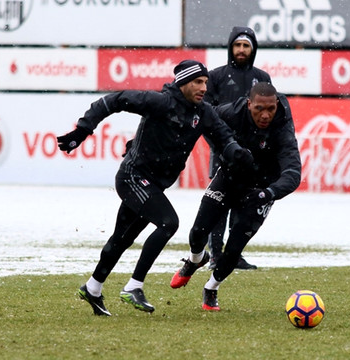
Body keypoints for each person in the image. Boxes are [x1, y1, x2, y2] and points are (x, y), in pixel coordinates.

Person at [56, 60, 255, 316]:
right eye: (198, 82)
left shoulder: (204, 113)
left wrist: (237, 153)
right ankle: (133, 286)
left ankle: (93, 288)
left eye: (205, 82)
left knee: (122, 238)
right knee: (168, 223)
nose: (204, 87)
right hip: (132, 177)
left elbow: (224, 137)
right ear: (182, 83)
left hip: (152, 185)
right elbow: (114, 100)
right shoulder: (160, 102)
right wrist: (83, 130)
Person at [170, 82, 302, 311]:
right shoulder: (231, 112)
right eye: (259, 108)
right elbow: (202, 120)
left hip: (260, 190)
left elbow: (293, 172)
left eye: (270, 109)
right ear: (249, 104)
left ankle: (211, 288)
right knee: (198, 231)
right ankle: (195, 259)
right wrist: (223, 151)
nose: (265, 114)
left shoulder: (282, 128)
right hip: (229, 177)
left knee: (234, 248)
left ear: (277, 105)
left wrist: (268, 193)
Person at [204, 26, 273, 271]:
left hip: (252, 154)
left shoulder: (262, 77)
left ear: (253, 49)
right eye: (237, 45)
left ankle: (233, 255)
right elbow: (206, 115)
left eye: (246, 46)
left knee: (244, 204)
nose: (241, 50)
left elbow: (269, 114)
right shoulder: (216, 76)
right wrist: (218, 144)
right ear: (230, 48)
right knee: (218, 204)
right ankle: (214, 255)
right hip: (223, 150)